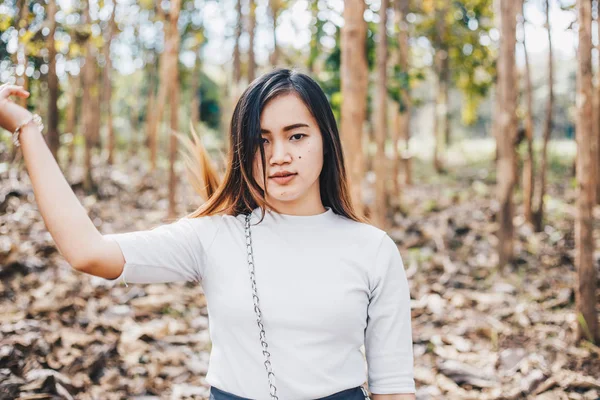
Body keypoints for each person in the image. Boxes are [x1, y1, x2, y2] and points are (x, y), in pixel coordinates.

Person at [0, 68, 416, 400]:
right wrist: (27, 129)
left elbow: (394, 388)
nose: (280, 156)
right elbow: (86, 251)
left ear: (327, 140)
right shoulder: (215, 237)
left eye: (297, 135)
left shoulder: (372, 250)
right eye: (261, 140)